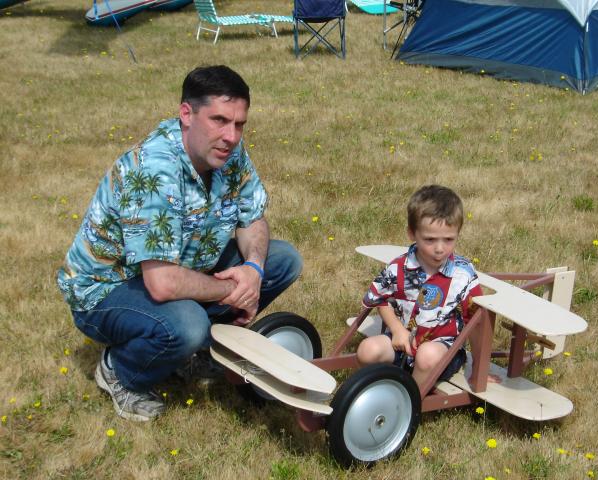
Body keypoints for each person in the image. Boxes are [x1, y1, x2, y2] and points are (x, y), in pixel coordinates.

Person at [57, 65, 302, 421]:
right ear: (186, 114)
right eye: (219, 120)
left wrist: (253, 269)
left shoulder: (228, 152)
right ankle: (121, 372)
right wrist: (232, 290)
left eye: (239, 124)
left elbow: (253, 219)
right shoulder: (155, 170)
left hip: (182, 266)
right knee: (186, 324)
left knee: (282, 259)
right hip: (106, 290)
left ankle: (199, 353)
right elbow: (162, 283)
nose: (231, 136)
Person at [356, 184, 491, 388]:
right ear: (412, 233)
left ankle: (411, 402)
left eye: (448, 239)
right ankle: (368, 392)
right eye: (429, 239)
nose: (439, 249)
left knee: (427, 356)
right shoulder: (399, 267)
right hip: (403, 340)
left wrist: (480, 370)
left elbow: (476, 322)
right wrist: (397, 329)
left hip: (441, 351)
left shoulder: (462, 274)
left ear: (458, 233)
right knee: (367, 350)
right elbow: (380, 298)